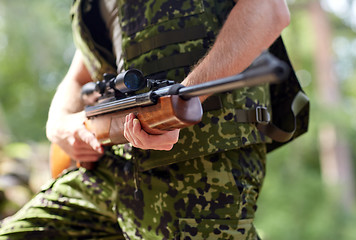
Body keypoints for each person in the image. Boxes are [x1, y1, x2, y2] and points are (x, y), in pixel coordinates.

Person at [0, 0, 291, 239]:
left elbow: (268, 10)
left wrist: (181, 104)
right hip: (107, 171)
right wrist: (59, 124)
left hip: (203, 169)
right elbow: (81, 76)